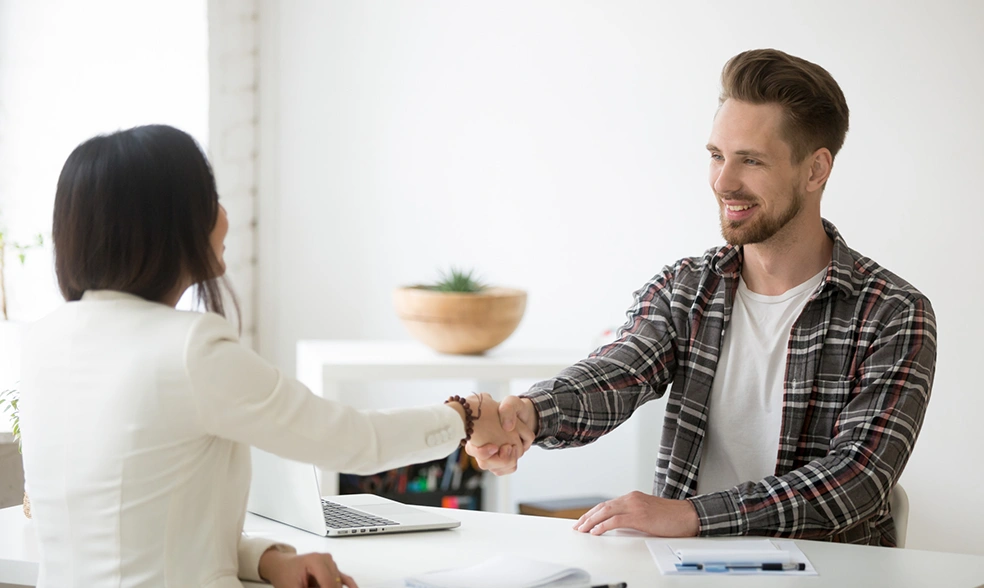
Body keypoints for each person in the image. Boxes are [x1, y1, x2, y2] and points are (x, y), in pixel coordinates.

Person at [18, 125, 526, 588]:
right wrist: (465, 416)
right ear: (171, 223)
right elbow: (353, 441)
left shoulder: (42, 342)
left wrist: (268, 559)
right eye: (210, 198)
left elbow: (135, 531)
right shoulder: (189, 349)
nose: (224, 217)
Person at [467, 48, 936, 547]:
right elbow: (619, 371)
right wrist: (532, 415)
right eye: (716, 156)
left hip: (826, 574)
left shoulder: (894, 313)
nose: (723, 182)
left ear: (816, 170)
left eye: (750, 161)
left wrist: (691, 516)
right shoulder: (687, 287)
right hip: (683, 570)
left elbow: (855, 481)